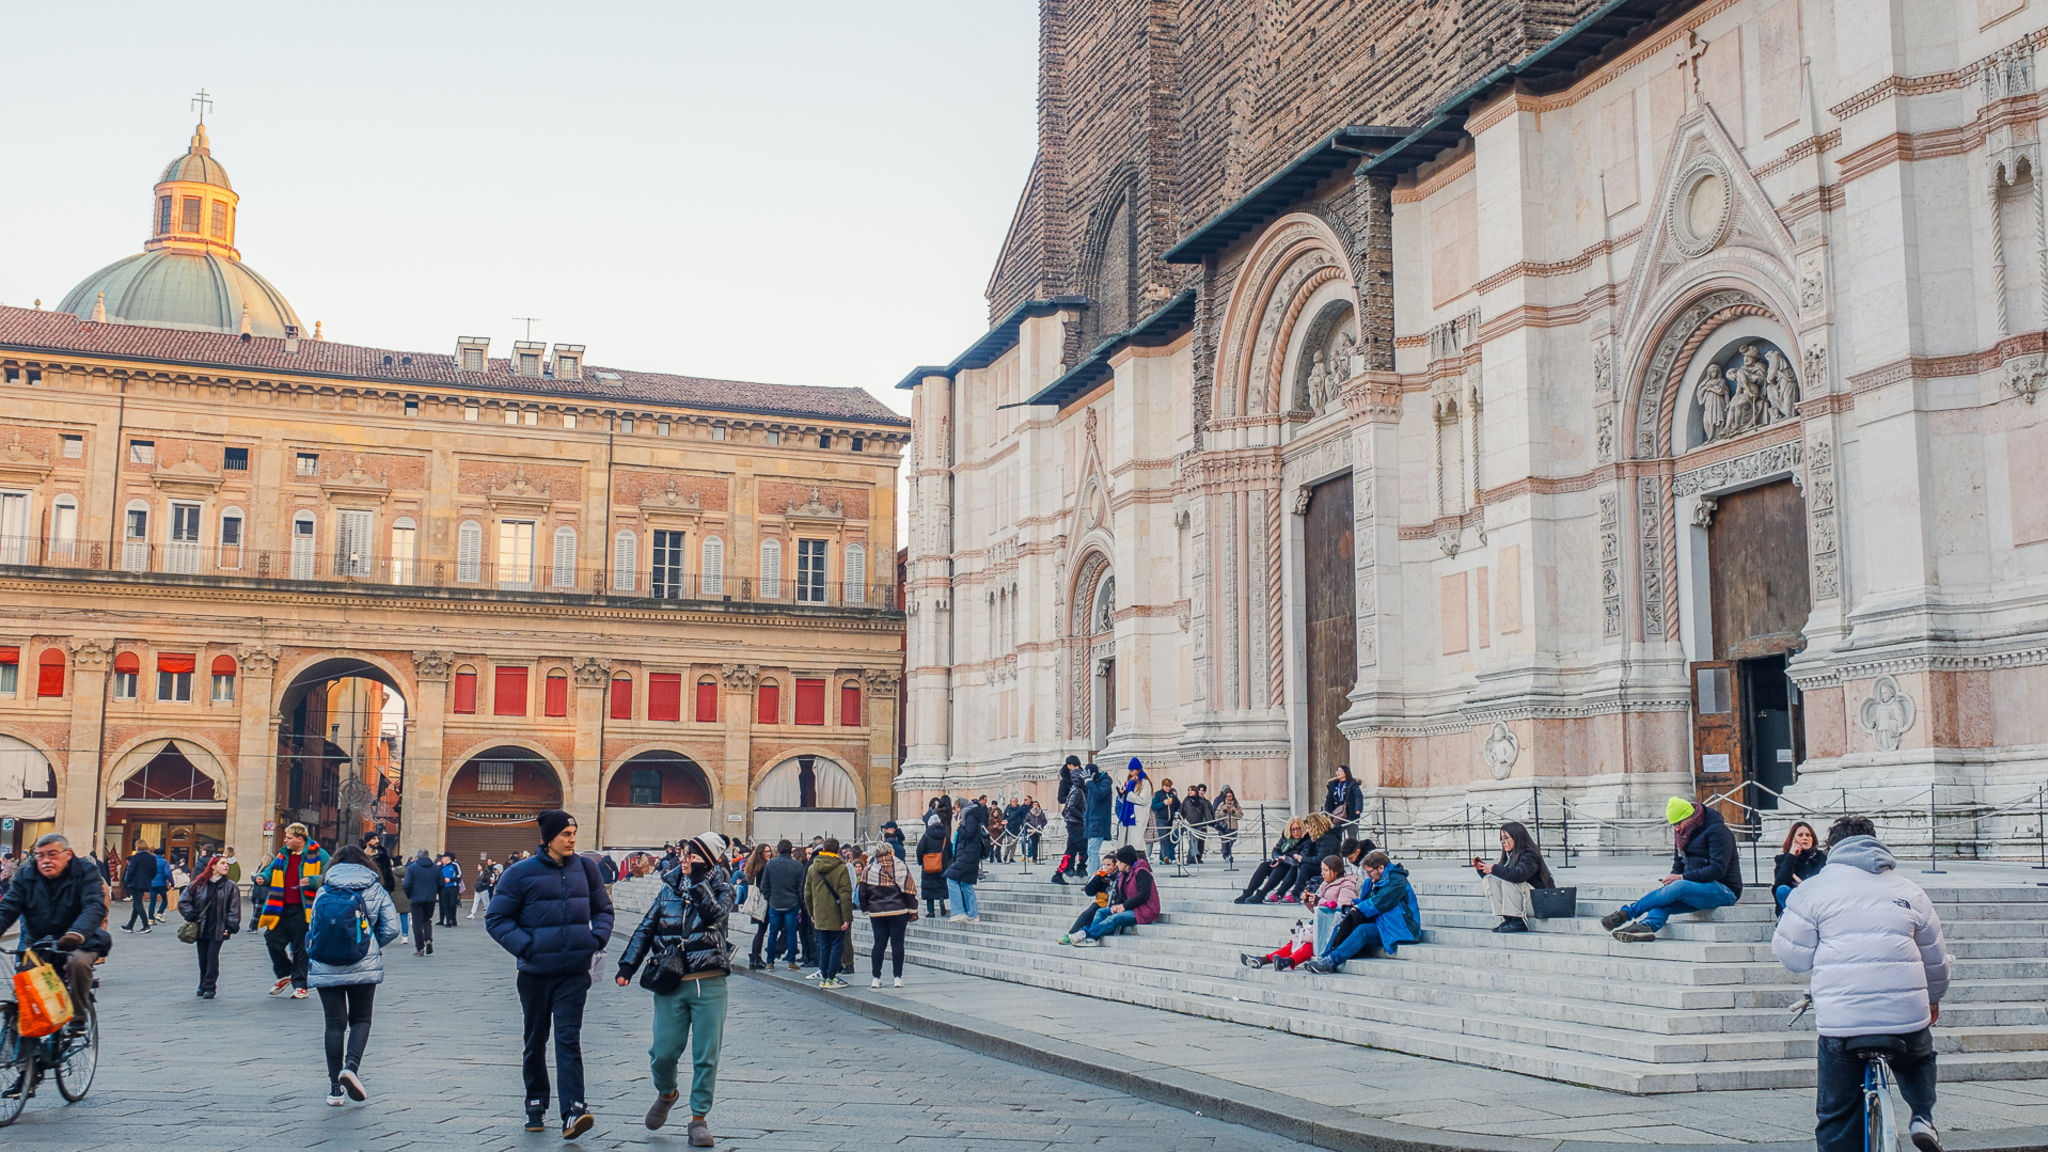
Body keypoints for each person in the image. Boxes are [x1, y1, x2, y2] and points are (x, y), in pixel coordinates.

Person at [1773, 816, 1951, 1152]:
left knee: (1835, 1115)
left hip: (1843, 1022)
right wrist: (1934, 998)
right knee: (1919, 1056)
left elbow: (1792, 959)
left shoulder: (1812, 891)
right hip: (1904, 1017)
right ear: (1874, 842)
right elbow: (1935, 958)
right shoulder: (1910, 891)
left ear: (1831, 848)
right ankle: (1922, 1117)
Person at [487, 809, 614, 1139]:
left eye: (574, 833)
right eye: (565, 834)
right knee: (535, 1040)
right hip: (535, 973)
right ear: (548, 839)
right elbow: (497, 919)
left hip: (574, 972)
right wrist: (527, 946)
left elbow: (603, 909)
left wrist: (595, 938)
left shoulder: (586, 868)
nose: (572, 839)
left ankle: (574, 1110)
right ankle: (535, 1102)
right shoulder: (519, 874)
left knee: (568, 1039)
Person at [616, 833, 732, 1148]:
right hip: (670, 980)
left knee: (705, 1055)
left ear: (708, 859)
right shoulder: (667, 889)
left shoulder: (723, 888)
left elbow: (714, 915)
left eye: (691, 855)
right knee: (662, 1053)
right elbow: (646, 927)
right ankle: (667, 1092)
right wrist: (628, 965)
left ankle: (698, 1119)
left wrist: (696, 882)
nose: (683, 859)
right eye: (683, 854)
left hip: (708, 979)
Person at [307, 845, 402, 1107]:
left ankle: (334, 1090)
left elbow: (313, 925)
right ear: (365, 864)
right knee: (361, 1019)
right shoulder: (374, 887)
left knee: (334, 1024)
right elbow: (392, 928)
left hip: (326, 961)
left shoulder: (325, 888)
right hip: (363, 964)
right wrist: (370, 945)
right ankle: (351, 1067)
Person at [0, 833, 109, 1033]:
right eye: (40, 855)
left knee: (77, 962)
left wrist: (77, 933)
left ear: (68, 855)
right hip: (41, 941)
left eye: (52, 854)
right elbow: (8, 908)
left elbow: (93, 906)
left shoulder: (86, 873)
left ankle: (78, 1015)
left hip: (81, 940)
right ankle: (27, 1056)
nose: (46, 860)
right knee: (26, 982)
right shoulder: (27, 876)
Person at [1600, 797, 1743, 942]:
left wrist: (1681, 878)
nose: (1677, 828)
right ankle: (1645, 928)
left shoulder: (1718, 832)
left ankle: (1627, 913)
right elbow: (1678, 863)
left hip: (1725, 890)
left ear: (1690, 817)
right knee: (1663, 900)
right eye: (1673, 825)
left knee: (1679, 887)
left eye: (1678, 823)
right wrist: (1674, 875)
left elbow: (1717, 870)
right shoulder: (1682, 834)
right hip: (1693, 888)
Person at [1301, 850, 1418, 972]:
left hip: (1399, 927)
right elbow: (1366, 900)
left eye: (1370, 872)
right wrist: (1354, 903)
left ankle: (1331, 961)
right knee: (1342, 926)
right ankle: (1324, 958)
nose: (1368, 875)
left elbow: (1379, 902)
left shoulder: (1397, 881)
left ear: (1381, 868)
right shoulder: (1372, 882)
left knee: (1362, 931)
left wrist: (1359, 906)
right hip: (1381, 922)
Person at [1241, 855, 1357, 970]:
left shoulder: (1346, 884)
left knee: (1310, 944)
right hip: (1322, 923)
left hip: (1334, 927)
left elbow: (1343, 908)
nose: (1322, 873)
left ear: (1336, 871)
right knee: (1296, 941)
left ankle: (1286, 962)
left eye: (1326, 870)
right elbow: (1317, 910)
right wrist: (1309, 901)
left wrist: (1318, 900)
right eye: (1322, 870)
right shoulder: (1325, 884)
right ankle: (1264, 960)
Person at [254, 823, 328, 999]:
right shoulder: (282, 855)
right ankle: (286, 973)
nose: (285, 840)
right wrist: (262, 878)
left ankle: (301, 986)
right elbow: (271, 871)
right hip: (280, 907)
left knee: (300, 948)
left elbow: (329, 875)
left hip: (304, 909)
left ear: (300, 838)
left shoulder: (319, 854)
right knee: (271, 939)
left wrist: (312, 880)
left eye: (289, 838)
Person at [1067, 846, 1158, 947]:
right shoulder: (1123, 874)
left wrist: (1124, 906)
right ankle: (1093, 938)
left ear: (1126, 862)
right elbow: (1121, 894)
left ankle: (1087, 934)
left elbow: (1143, 895)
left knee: (1114, 918)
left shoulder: (1141, 872)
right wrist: (1117, 906)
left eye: (1119, 861)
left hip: (1145, 910)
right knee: (1101, 912)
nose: (1117, 864)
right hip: (1131, 907)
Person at [178, 852, 240, 997]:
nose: (226, 866)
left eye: (226, 863)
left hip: (218, 926)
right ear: (213, 866)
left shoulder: (231, 887)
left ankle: (210, 986)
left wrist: (231, 926)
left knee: (212, 956)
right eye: (222, 863)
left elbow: (234, 908)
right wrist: (191, 915)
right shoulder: (199, 883)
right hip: (201, 927)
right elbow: (184, 900)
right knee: (203, 957)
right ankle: (202, 983)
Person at [1475, 820, 1553, 933]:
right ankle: (1508, 918)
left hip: (1540, 902)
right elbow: (1500, 875)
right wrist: (1483, 870)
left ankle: (1517, 922)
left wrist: (1494, 868)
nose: (1503, 842)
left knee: (1509, 880)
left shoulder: (1530, 854)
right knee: (1490, 880)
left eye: (1506, 838)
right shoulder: (1508, 856)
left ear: (1517, 837)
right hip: (1524, 901)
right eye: (1501, 838)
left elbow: (1518, 875)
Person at [860, 840, 916, 988]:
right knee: (897, 944)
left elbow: (862, 892)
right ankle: (897, 977)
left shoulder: (868, 869)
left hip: (877, 912)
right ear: (891, 852)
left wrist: (865, 908)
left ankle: (876, 978)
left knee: (879, 944)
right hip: (898, 910)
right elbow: (909, 891)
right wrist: (913, 910)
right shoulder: (901, 866)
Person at [802, 837, 853, 988]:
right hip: (836, 914)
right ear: (837, 851)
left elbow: (807, 893)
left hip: (819, 913)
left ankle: (824, 977)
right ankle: (831, 977)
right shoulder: (841, 868)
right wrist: (847, 917)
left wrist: (811, 912)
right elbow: (845, 894)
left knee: (823, 946)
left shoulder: (812, 867)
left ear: (823, 850)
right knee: (837, 945)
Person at [1234, 818, 1308, 903]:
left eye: (1298, 829)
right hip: (1282, 862)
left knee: (1280, 867)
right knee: (1264, 865)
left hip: (1293, 868)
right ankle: (1248, 892)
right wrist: (1277, 857)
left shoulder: (1306, 840)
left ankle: (1261, 894)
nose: (1296, 832)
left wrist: (1284, 858)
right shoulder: (1286, 837)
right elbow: (1275, 850)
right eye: (1293, 829)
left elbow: (1299, 859)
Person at [760, 839, 807, 970]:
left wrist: (770, 898)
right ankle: (791, 962)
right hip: (792, 904)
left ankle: (770, 962)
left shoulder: (771, 864)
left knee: (773, 933)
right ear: (790, 849)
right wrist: (799, 901)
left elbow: (764, 885)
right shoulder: (797, 865)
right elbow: (800, 887)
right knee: (791, 933)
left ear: (779, 850)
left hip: (775, 903)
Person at [943, 801, 989, 922]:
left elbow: (969, 834)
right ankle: (973, 914)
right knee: (965, 883)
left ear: (962, 807)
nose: (956, 811)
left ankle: (958, 912)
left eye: (957, 808)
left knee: (951, 879)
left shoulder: (970, 816)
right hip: (967, 854)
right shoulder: (969, 816)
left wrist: (960, 826)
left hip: (968, 855)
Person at [1282, 813, 1342, 902]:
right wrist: (1302, 858)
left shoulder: (1328, 838)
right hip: (1321, 865)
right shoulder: (1316, 837)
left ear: (1315, 827)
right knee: (1297, 866)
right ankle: (1281, 893)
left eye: (1309, 828)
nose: (1308, 831)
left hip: (1330, 867)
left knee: (1305, 867)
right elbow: (1307, 852)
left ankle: (1295, 894)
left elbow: (1321, 859)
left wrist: (1303, 859)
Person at [1774, 821, 1827, 915]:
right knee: (1782, 890)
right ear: (1792, 839)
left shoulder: (1822, 857)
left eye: (1808, 835)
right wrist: (1791, 856)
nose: (1805, 838)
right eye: (1800, 835)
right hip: (1792, 903)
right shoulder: (1783, 859)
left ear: (1812, 838)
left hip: (1815, 901)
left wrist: (1802, 884)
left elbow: (1825, 884)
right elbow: (1780, 884)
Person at [1054, 758, 1088, 884]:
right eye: (1074, 766)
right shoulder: (1070, 785)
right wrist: (1071, 797)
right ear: (1069, 766)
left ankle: (1061, 872)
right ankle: (1074, 868)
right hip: (1075, 819)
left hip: (1077, 818)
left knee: (1072, 848)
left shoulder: (1080, 784)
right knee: (1081, 846)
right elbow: (1064, 801)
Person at [403, 849, 440, 956]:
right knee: (427, 920)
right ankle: (428, 939)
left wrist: (409, 895)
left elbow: (406, 884)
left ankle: (420, 948)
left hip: (416, 899)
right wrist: (435, 892)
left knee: (417, 923)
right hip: (430, 899)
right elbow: (441, 883)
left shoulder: (412, 868)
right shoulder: (435, 869)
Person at [741, 844, 771, 971]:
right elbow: (762, 885)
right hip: (763, 902)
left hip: (758, 902)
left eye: (770, 851)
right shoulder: (763, 867)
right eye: (767, 851)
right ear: (761, 853)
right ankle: (756, 957)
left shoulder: (754, 866)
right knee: (761, 930)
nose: (769, 853)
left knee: (761, 930)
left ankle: (755, 957)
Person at [915, 815, 951, 917]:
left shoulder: (926, 836)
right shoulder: (945, 836)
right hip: (942, 866)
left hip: (928, 867)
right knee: (940, 886)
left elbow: (919, 850)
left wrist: (920, 861)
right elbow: (950, 850)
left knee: (929, 888)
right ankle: (941, 901)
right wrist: (946, 861)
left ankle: (931, 911)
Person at [1083, 762, 1114, 874]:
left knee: (1093, 851)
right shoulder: (1094, 783)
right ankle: (1095, 875)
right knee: (1091, 851)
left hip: (1099, 822)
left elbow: (1099, 795)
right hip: (1091, 822)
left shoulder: (1105, 782)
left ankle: (1092, 877)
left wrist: (1090, 783)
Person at [121, 841, 158, 932]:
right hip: (145, 883)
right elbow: (154, 871)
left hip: (135, 883)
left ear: (137, 846)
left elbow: (131, 871)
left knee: (138, 903)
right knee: (136, 904)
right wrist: (148, 879)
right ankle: (130, 925)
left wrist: (127, 881)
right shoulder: (152, 857)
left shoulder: (135, 857)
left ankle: (146, 925)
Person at [1180, 784, 1212, 865]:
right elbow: (1182, 811)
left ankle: (1190, 858)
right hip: (1189, 824)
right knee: (1192, 840)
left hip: (1198, 823)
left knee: (1195, 840)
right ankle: (1195, 854)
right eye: (1189, 790)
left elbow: (1207, 813)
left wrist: (1212, 822)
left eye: (1192, 790)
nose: (1190, 792)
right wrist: (1179, 819)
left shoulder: (1201, 802)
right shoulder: (1186, 801)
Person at [1148, 778, 1178, 863]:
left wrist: (1176, 812)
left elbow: (1177, 805)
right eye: (1166, 786)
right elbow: (1153, 806)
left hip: (1170, 820)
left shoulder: (1172, 794)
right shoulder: (1158, 794)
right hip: (1160, 819)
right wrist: (1163, 803)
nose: (1168, 788)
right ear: (1163, 786)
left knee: (1168, 838)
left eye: (1169, 786)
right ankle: (1166, 857)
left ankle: (1162, 858)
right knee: (1163, 838)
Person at [1213, 786, 1242, 864]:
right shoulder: (1222, 804)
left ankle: (1227, 852)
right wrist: (1224, 811)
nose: (1229, 798)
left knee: (1232, 840)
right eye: (1227, 796)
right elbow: (1217, 815)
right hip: (1224, 826)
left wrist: (1234, 812)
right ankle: (1226, 855)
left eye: (1230, 796)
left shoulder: (1236, 805)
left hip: (1233, 826)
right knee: (1225, 841)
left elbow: (1240, 815)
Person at [437, 852, 463, 927]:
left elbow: (459, 875)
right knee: (445, 904)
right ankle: (448, 920)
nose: (442, 859)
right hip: (444, 887)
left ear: (448, 858)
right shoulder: (442, 866)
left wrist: (451, 879)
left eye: (443, 858)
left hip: (453, 887)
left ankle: (453, 919)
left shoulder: (455, 865)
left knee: (452, 904)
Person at [470, 855, 497, 919]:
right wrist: (476, 886)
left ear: (482, 867)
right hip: (478, 889)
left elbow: (488, 881)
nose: (478, 867)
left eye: (479, 866)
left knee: (486, 902)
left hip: (483, 890)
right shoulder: (479, 873)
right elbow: (477, 881)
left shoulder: (486, 873)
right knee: (475, 902)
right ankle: (473, 913)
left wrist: (483, 885)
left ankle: (488, 913)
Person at [150, 846, 172, 921]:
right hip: (161, 883)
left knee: (152, 901)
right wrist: (172, 882)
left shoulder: (151, 861)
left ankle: (150, 919)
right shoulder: (164, 861)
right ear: (163, 854)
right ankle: (159, 913)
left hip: (152, 883)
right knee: (165, 899)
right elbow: (167, 873)